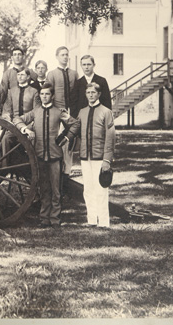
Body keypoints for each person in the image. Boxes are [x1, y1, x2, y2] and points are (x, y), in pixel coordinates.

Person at [14, 83, 80, 228]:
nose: (44, 97)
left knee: (56, 189)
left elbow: (75, 124)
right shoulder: (35, 111)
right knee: (43, 188)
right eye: (42, 94)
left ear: (52, 96)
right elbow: (17, 119)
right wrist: (25, 129)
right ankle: (44, 218)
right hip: (39, 156)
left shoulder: (59, 112)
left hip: (55, 156)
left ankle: (55, 218)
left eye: (47, 94)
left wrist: (66, 138)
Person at [77, 82, 116, 228]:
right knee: (88, 189)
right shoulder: (82, 112)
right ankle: (92, 220)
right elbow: (77, 131)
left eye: (93, 92)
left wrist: (107, 159)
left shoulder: (106, 112)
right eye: (88, 93)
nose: (91, 95)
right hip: (85, 156)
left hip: (100, 157)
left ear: (99, 94)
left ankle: (104, 223)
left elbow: (110, 137)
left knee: (101, 189)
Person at [46, 46, 79, 178]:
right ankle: (56, 168)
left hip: (70, 111)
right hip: (58, 111)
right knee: (57, 139)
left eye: (66, 55)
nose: (65, 57)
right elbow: (49, 93)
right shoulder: (52, 74)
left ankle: (67, 170)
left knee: (70, 139)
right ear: (57, 57)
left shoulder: (74, 73)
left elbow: (76, 92)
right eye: (62, 55)